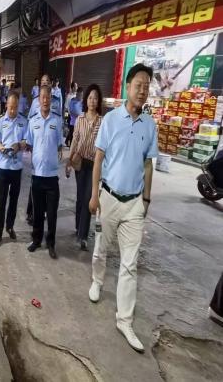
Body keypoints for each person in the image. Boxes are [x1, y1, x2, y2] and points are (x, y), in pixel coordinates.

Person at [88, 63, 158, 353]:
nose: (142, 91)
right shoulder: (111, 119)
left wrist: (146, 199)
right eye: (138, 85)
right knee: (101, 248)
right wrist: (94, 195)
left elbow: (148, 163)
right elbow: (98, 158)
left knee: (130, 263)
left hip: (134, 204)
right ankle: (97, 280)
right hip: (108, 197)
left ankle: (125, 320)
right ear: (127, 87)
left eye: (146, 86)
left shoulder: (150, 125)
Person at [26, 83, 64, 259]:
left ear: (51, 99)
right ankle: (36, 240)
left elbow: (59, 145)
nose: (45, 100)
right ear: (38, 100)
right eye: (42, 97)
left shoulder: (57, 121)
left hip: (51, 176)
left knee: (52, 213)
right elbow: (29, 144)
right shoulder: (33, 121)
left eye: (48, 97)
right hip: (37, 175)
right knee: (38, 212)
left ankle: (51, 243)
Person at [65, 84, 102, 251]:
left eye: (95, 98)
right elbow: (75, 140)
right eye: (90, 98)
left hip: (94, 164)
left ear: (98, 101)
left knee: (88, 197)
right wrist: (69, 160)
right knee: (80, 197)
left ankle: (83, 236)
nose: (92, 101)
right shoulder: (80, 119)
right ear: (86, 100)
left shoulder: (102, 121)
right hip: (79, 162)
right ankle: (78, 226)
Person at [0, 90, 27, 247]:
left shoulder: (23, 121)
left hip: (17, 168)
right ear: (6, 104)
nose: (13, 110)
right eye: (10, 107)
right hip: (4, 167)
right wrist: (0, 147)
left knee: (14, 200)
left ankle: (10, 226)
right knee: (1, 201)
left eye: (15, 107)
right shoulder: (0, 122)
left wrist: (19, 145)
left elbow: (26, 140)